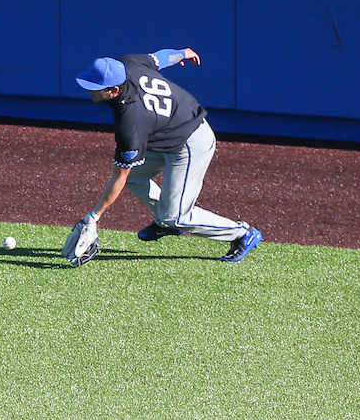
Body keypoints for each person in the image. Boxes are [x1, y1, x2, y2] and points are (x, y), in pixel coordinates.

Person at [72, 48, 262, 263]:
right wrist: (182, 53)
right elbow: (161, 57)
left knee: (177, 216)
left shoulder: (131, 123)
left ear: (114, 90)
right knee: (136, 177)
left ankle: (241, 234)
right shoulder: (129, 63)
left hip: (191, 142)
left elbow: (119, 176)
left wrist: (94, 216)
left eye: (95, 88)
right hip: (165, 132)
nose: (90, 91)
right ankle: (164, 222)